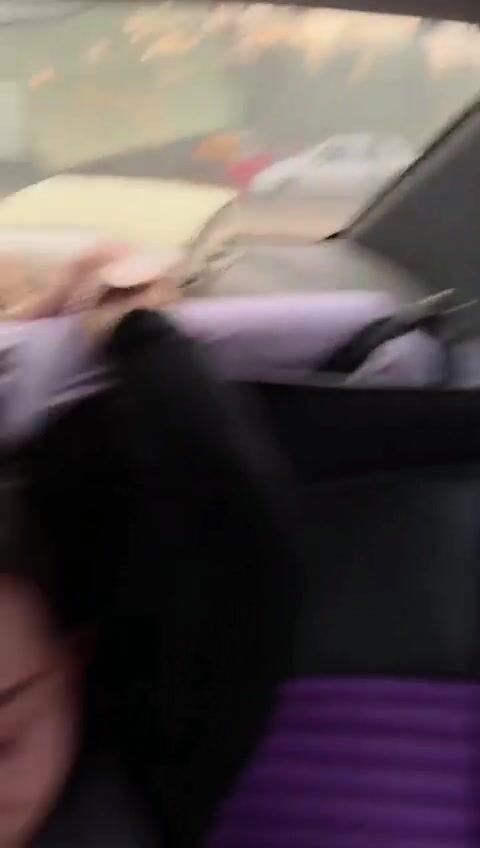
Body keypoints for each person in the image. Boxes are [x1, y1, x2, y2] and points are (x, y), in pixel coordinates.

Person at [2, 245, 302, 847]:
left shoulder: (143, 773)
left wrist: (136, 332)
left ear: (77, 666)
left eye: (2, 742)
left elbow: (233, 538)